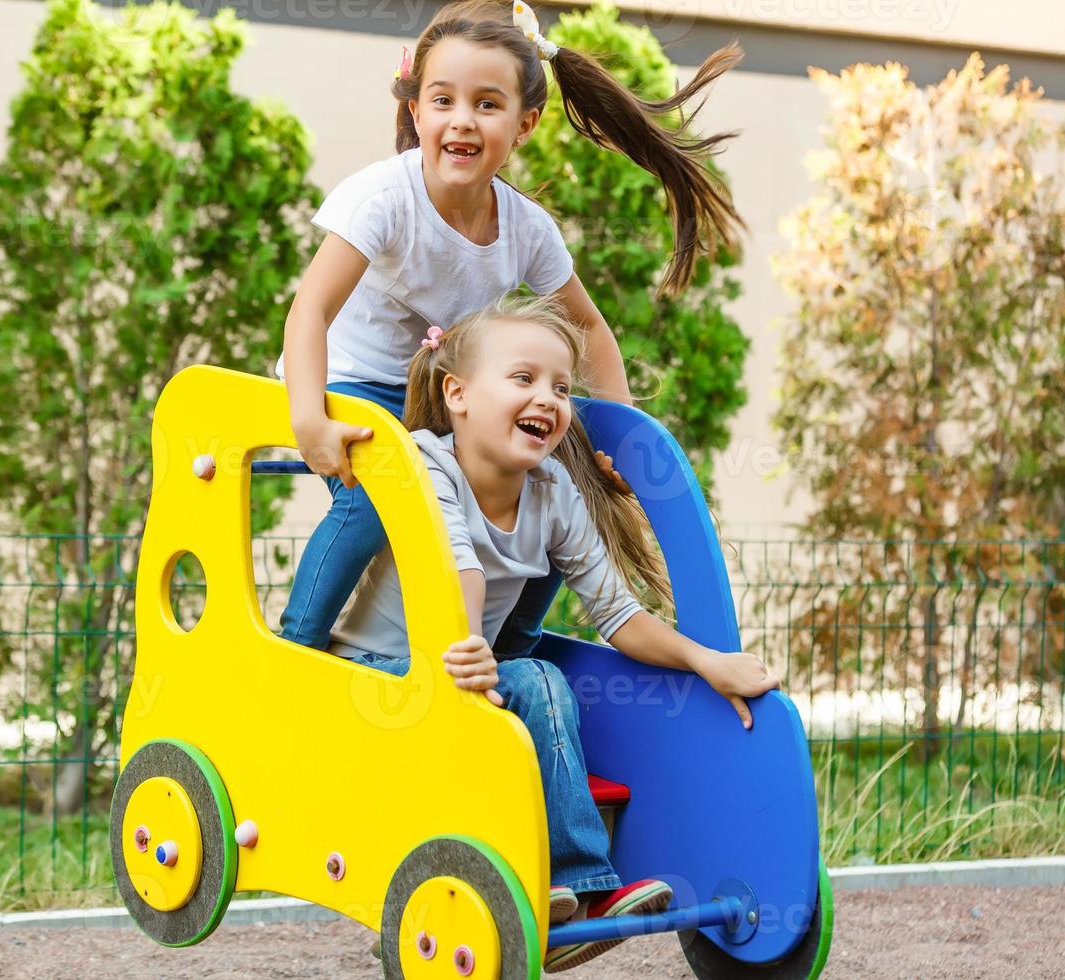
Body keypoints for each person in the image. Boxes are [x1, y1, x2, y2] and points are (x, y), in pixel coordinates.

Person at [276, 0, 745, 656]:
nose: (462, 120)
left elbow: (591, 332)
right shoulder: (382, 199)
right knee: (373, 497)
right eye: (443, 101)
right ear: (417, 113)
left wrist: (621, 438)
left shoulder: (525, 229)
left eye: (487, 104)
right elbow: (311, 311)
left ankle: (512, 653)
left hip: (445, 394)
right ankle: (293, 651)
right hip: (353, 383)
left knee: (551, 489)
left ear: (524, 124)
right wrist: (308, 418)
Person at [329, 294, 778, 972]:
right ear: (456, 394)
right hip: (377, 667)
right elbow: (459, 565)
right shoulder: (425, 464)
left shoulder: (552, 492)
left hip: (462, 662)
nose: (549, 398)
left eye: (562, 387)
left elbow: (619, 614)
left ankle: (563, 889)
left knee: (535, 680)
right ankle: (568, 881)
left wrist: (706, 661)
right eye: (524, 379)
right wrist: (467, 640)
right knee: (532, 679)